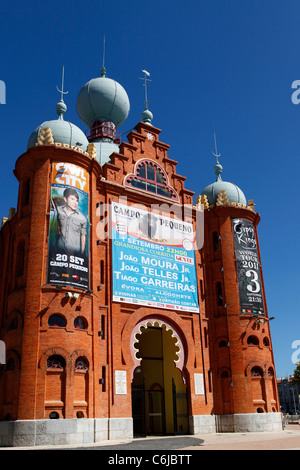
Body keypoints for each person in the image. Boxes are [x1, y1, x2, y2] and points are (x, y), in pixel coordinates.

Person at [55, 188, 87, 256]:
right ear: (65, 199)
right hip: (60, 249)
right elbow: (58, 227)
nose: (75, 203)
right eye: (72, 199)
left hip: (74, 252)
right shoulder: (58, 210)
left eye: (77, 200)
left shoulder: (82, 218)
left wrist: (82, 253)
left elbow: (83, 237)